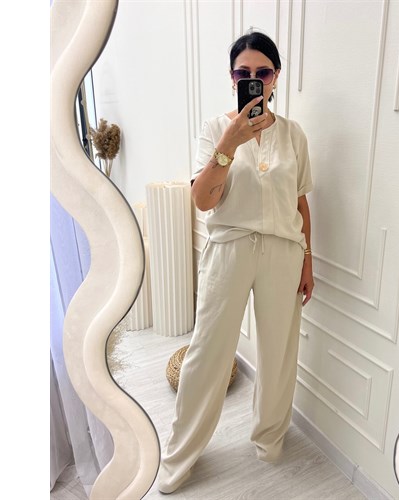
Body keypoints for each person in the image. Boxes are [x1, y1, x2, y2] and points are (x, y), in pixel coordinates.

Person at [158, 30, 314, 494]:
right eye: (243, 72)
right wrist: (231, 141)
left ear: (276, 77)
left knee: (278, 353)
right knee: (207, 353)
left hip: (284, 252)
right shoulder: (214, 129)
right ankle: (179, 457)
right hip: (229, 247)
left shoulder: (293, 135)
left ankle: (269, 440)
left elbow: (300, 201)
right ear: (232, 79)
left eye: (263, 72)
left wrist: (308, 260)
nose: (254, 79)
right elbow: (203, 200)